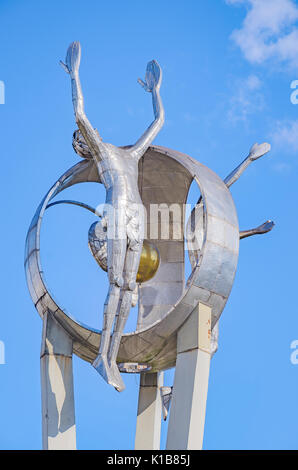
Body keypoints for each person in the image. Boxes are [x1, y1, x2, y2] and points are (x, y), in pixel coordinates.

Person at [61, 41, 165, 391]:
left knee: (130, 286)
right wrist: (74, 76)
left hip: (138, 218)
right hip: (118, 215)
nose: (85, 138)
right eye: (82, 141)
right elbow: (80, 115)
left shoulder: (132, 154)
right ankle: (105, 356)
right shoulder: (103, 156)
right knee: (118, 283)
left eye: (82, 139)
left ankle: (109, 355)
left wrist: (156, 91)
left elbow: (160, 120)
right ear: (86, 148)